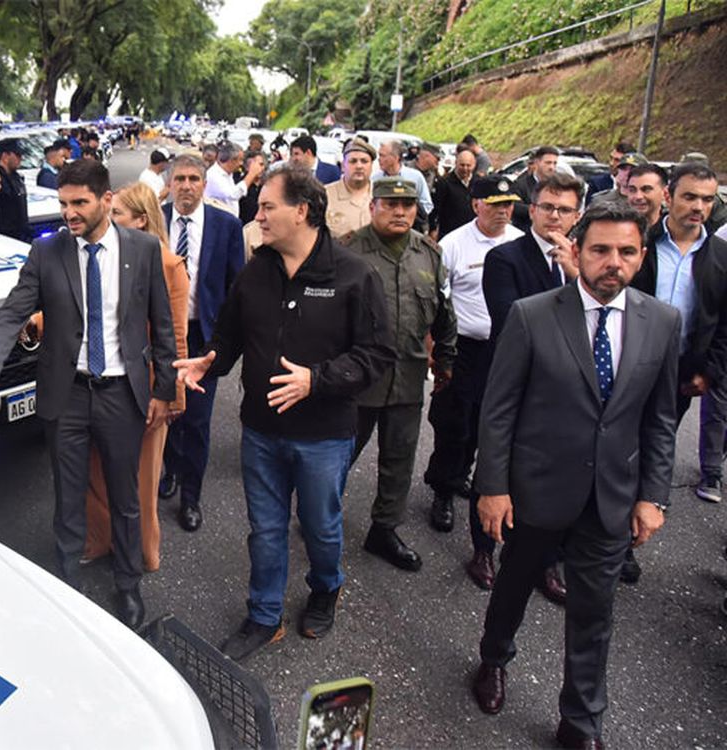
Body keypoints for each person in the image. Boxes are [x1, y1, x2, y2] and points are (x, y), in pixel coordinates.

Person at [471, 202, 679, 750]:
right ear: (578, 251)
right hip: (536, 490)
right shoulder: (533, 314)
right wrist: (492, 487)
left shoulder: (661, 322)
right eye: (601, 250)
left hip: (611, 497)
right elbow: (499, 409)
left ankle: (582, 720)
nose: (614, 262)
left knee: (594, 612)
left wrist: (654, 495)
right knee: (513, 586)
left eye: (627, 251)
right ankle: (493, 658)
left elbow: (659, 419)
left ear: (640, 256)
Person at [173, 164, 394, 660]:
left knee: (320, 526)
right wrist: (210, 362)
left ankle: (325, 587)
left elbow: (378, 356)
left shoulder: (355, 275)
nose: (259, 215)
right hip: (261, 431)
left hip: (324, 436)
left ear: (303, 211)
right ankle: (264, 614)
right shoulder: (257, 271)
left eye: (268, 206)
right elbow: (228, 335)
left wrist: (316, 380)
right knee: (266, 528)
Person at [0, 159, 177, 631]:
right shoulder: (47, 254)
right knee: (67, 496)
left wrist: (164, 390)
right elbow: (11, 315)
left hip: (123, 393)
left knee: (126, 497)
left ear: (107, 200)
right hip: (67, 395)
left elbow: (163, 326)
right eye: (64, 203)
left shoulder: (143, 249)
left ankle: (128, 584)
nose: (69, 213)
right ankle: (67, 582)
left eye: (79, 203)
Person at [477, 172, 583, 599]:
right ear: (532, 209)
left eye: (564, 209)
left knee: (557, 476)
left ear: (576, 215)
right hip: (517, 383)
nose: (554, 216)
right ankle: (483, 548)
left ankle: (546, 559)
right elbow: (511, 321)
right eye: (547, 207)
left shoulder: (584, 261)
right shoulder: (506, 258)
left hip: (568, 394)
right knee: (495, 464)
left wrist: (577, 274)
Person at [344, 177, 456, 573]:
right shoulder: (348, 250)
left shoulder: (428, 254)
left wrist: (445, 358)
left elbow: (443, 312)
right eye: (390, 204)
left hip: (408, 375)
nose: (400, 212)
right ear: (373, 206)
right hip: (356, 380)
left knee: (399, 460)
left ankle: (384, 529)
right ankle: (318, 516)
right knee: (338, 455)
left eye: (407, 206)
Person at [82, 182, 189, 571]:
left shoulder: (167, 263)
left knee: (143, 479)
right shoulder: (102, 254)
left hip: (145, 389)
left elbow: (175, 336)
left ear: (141, 221)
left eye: (118, 215)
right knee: (95, 467)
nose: (108, 221)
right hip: (99, 383)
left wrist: (172, 395)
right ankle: (100, 539)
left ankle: (144, 553)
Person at [422, 178, 523, 537]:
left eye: (509, 204)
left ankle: (463, 474)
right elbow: (435, 300)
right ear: (476, 204)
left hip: (505, 350)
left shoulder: (518, 243)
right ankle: (443, 490)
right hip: (462, 347)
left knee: (487, 422)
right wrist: (434, 350)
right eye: (496, 204)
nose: (504, 211)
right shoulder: (453, 244)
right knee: (454, 422)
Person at [630, 163, 727, 509]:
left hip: (680, 374)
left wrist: (709, 372)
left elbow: (723, 324)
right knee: (615, 441)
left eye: (707, 199)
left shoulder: (720, 257)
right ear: (669, 197)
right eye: (689, 197)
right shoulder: (640, 244)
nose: (699, 207)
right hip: (627, 365)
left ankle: (644, 508)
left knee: (659, 440)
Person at [160, 154, 246, 532]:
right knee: (164, 411)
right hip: (161, 335)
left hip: (202, 336)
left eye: (194, 178)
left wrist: (224, 342)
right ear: (170, 182)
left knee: (196, 419)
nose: (187, 186)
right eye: (180, 178)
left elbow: (235, 288)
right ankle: (170, 469)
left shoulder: (226, 226)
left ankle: (190, 497)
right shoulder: (155, 221)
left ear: (204, 184)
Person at [325, 139, 375, 240]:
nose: (359, 166)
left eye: (364, 161)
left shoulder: (381, 195)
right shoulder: (324, 195)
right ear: (343, 166)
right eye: (353, 161)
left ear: (371, 166)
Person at [373, 140, 434, 220]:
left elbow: (427, 205)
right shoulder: (374, 178)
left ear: (395, 157)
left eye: (382, 155)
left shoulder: (415, 177)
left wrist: (410, 216)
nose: (379, 159)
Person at [204, 141, 264, 217]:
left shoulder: (228, 175)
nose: (241, 163)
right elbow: (233, 195)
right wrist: (251, 174)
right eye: (240, 160)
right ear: (232, 160)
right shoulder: (214, 175)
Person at [430, 146, 476, 240]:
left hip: (472, 234)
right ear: (456, 163)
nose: (465, 169)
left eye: (468, 165)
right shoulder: (444, 182)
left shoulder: (478, 182)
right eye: (462, 165)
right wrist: (433, 229)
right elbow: (435, 208)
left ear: (474, 165)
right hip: (449, 233)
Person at [511, 146, 560, 233]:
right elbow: (515, 207)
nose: (552, 167)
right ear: (537, 162)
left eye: (554, 163)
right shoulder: (520, 184)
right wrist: (541, 211)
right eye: (548, 163)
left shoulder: (560, 185)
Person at [0, 138, 30, 241]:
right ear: (5, 156)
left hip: (21, 234)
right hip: (4, 236)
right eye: (17, 155)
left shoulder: (16, 177)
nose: (21, 159)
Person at [625, 163, 668, 230]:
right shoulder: (617, 231)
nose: (638, 197)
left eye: (646, 190)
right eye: (632, 190)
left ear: (665, 193)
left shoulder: (676, 233)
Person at [238, 150, 267, 225]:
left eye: (262, 165)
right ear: (247, 167)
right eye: (256, 165)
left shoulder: (266, 186)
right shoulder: (240, 186)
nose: (260, 168)